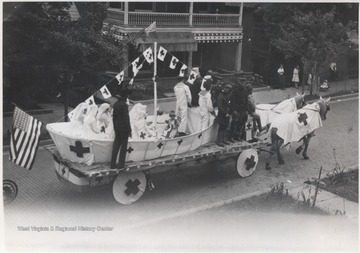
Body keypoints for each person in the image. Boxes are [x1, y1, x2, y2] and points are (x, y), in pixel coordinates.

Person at [110, 86, 132, 170]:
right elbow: (126, 118)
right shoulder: (124, 105)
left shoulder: (116, 104)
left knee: (116, 145)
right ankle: (121, 164)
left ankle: (113, 164)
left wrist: (115, 127)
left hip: (117, 126)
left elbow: (114, 117)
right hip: (124, 128)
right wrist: (129, 130)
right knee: (123, 146)